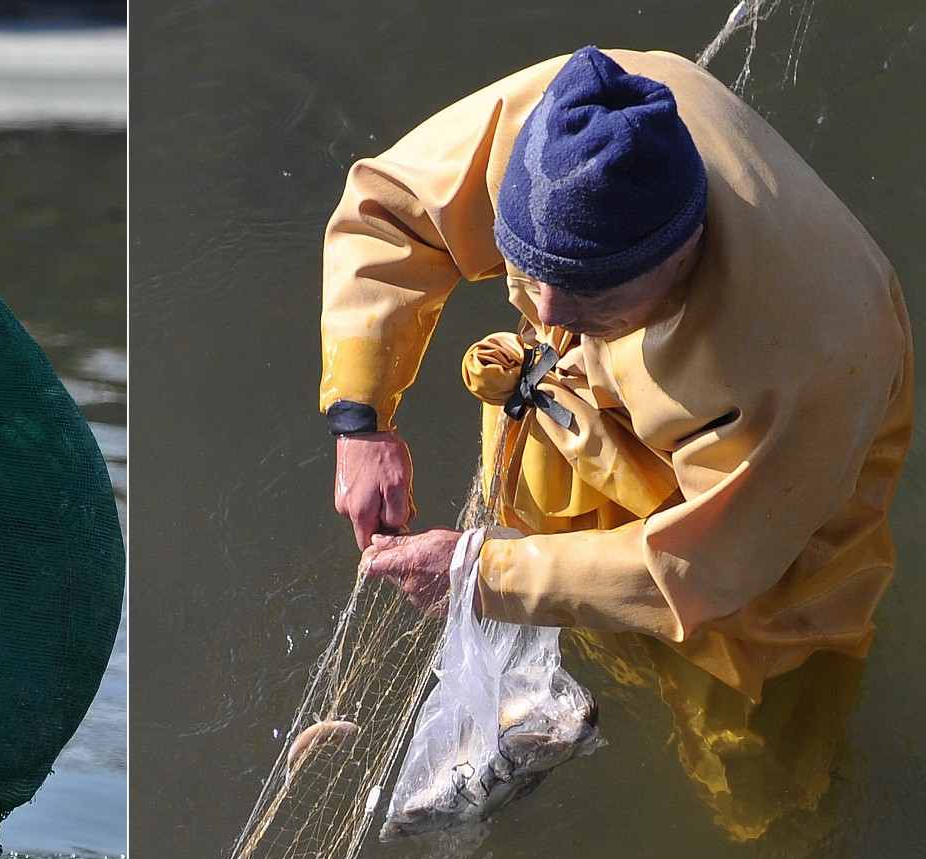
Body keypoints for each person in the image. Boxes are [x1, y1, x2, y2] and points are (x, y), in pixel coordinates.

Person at [322, 45, 912, 706]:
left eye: (587, 294)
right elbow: (391, 211)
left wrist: (482, 572)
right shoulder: (573, 118)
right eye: (526, 268)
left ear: (681, 248)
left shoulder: (815, 353)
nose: (544, 311)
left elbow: (712, 566)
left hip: (769, 519)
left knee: (754, 718)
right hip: (595, 405)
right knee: (574, 597)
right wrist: (360, 416)